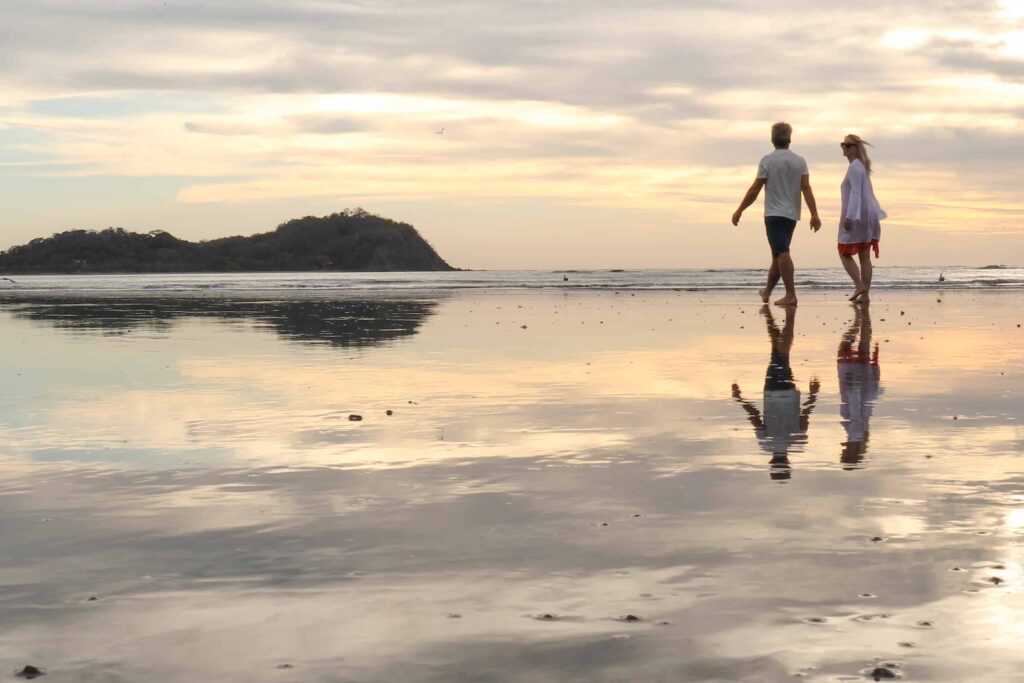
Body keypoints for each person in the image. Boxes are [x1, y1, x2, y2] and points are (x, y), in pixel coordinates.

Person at [732, 122, 822, 307]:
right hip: (791, 216)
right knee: (777, 255)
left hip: (774, 215)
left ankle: (791, 295)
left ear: (772, 139)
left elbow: (755, 188)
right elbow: (806, 188)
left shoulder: (767, 160)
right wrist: (814, 214)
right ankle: (766, 292)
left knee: (782, 253)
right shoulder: (799, 161)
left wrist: (740, 209)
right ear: (789, 139)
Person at [731, 305, 819, 480]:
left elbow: (804, 416)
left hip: (789, 393)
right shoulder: (766, 444)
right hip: (771, 392)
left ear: (788, 464)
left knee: (780, 354)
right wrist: (739, 398)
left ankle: (775, 318)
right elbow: (754, 417)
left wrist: (813, 394)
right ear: (771, 463)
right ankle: (781, 319)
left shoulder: (797, 442)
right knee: (779, 353)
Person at [838, 134, 887, 303]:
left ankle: (860, 285)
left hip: (858, 215)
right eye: (842, 145)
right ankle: (865, 296)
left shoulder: (855, 167)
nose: (844, 148)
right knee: (864, 256)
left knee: (843, 251)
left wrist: (850, 217)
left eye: (848, 145)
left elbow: (856, 194)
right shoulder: (861, 167)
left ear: (856, 148)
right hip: (868, 215)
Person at [837, 304, 882, 467]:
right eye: (844, 453)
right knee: (845, 346)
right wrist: (851, 387)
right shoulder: (855, 432)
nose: (842, 451)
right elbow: (855, 409)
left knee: (863, 347)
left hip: (863, 387)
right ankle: (859, 317)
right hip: (854, 383)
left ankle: (864, 318)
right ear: (849, 451)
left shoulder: (862, 434)